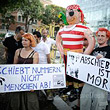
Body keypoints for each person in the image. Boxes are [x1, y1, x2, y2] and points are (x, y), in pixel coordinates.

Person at [56, 4, 95, 109]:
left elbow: (92, 42)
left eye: (72, 12)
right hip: (66, 56)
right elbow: (58, 41)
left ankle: (77, 95)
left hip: (77, 56)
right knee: (68, 74)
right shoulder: (62, 29)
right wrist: (61, 51)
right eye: (68, 12)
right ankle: (69, 89)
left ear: (78, 13)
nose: (69, 14)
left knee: (78, 76)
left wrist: (84, 55)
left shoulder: (84, 28)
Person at [80, 28, 110, 110]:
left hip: (101, 85)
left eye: (102, 36)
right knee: (84, 103)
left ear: (107, 38)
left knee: (98, 106)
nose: (100, 38)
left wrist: (104, 59)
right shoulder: (93, 50)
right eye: (98, 36)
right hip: (89, 82)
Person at [8, 33, 39, 110]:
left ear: (31, 42)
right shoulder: (18, 51)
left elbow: (34, 70)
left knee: (30, 102)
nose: (23, 42)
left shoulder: (35, 54)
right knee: (16, 101)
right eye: (22, 40)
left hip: (29, 81)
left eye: (26, 40)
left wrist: (33, 84)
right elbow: (14, 66)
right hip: (18, 81)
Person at [33, 31, 53, 101]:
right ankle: (37, 96)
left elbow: (48, 56)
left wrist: (49, 65)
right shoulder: (33, 45)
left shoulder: (44, 45)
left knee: (45, 81)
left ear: (38, 38)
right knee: (36, 80)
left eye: (34, 37)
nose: (33, 38)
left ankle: (49, 95)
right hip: (35, 66)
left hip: (43, 66)